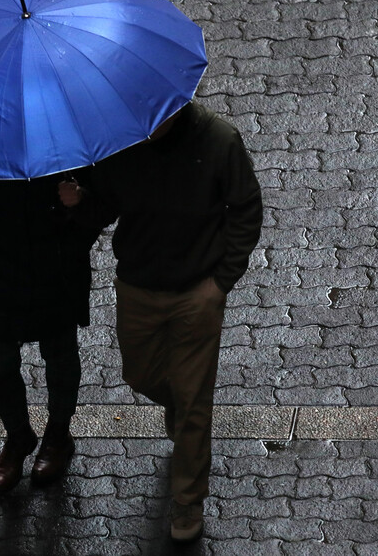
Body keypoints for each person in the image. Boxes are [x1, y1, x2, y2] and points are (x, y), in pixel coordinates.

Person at [59, 101, 263, 542]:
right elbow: (104, 210)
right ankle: (179, 403)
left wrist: (220, 282)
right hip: (138, 288)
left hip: (196, 294)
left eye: (158, 114)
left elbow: (246, 209)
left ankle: (188, 501)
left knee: (194, 404)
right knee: (140, 374)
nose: (149, 123)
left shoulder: (218, 140)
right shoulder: (123, 142)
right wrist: (77, 202)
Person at [0, 172, 99, 493]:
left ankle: (58, 436)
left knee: (61, 356)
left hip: (58, 259)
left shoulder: (68, 133)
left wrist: (82, 198)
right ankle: (19, 436)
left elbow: (105, 195)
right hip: (0, 261)